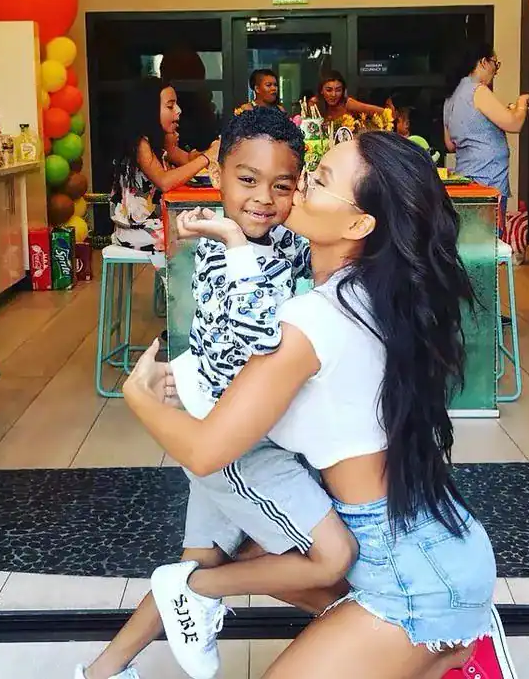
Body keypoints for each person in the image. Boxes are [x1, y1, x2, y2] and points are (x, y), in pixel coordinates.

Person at [124, 133, 497, 679]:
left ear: (357, 225)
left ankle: (451, 652)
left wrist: (138, 395)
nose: (296, 188)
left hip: (408, 575)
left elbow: (205, 452)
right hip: (417, 543)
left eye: (319, 181)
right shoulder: (371, 295)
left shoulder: (315, 320)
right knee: (251, 548)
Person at [80, 107, 354, 679]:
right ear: (219, 176)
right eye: (246, 180)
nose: (262, 198)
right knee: (326, 570)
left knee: (198, 562)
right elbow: (259, 342)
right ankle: (379, 639)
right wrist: (230, 239)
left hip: (230, 426)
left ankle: (101, 672)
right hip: (234, 441)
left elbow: (314, 266)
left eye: (282, 186)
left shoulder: (278, 237)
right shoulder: (219, 250)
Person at [111, 78, 219, 251]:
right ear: (149, 111)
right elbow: (165, 181)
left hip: (156, 223)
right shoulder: (141, 144)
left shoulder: (158, 142)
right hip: (136, 230)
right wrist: (207, 157)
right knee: (204, 236)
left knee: (206, 229)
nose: (178, 110)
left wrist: (211, 151)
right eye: (170, 106)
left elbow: (187, 161)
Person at [443, 43, 529, 215]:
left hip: (465, 177)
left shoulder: (451, 96)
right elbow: (514, 124)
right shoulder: (478, 90)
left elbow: (450, 144)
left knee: (470, 236)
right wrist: (522, 102)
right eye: (495, 63)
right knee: (489, 236)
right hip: (488, 179)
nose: (496, 70)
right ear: (483, 62)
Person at [312, 70, 384, 122]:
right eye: (329, 90)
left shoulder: (349, 104)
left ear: (343, 91)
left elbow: (383, 112)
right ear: (321, 90)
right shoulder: (315, 104)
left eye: (338, 90)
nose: (333, 94)